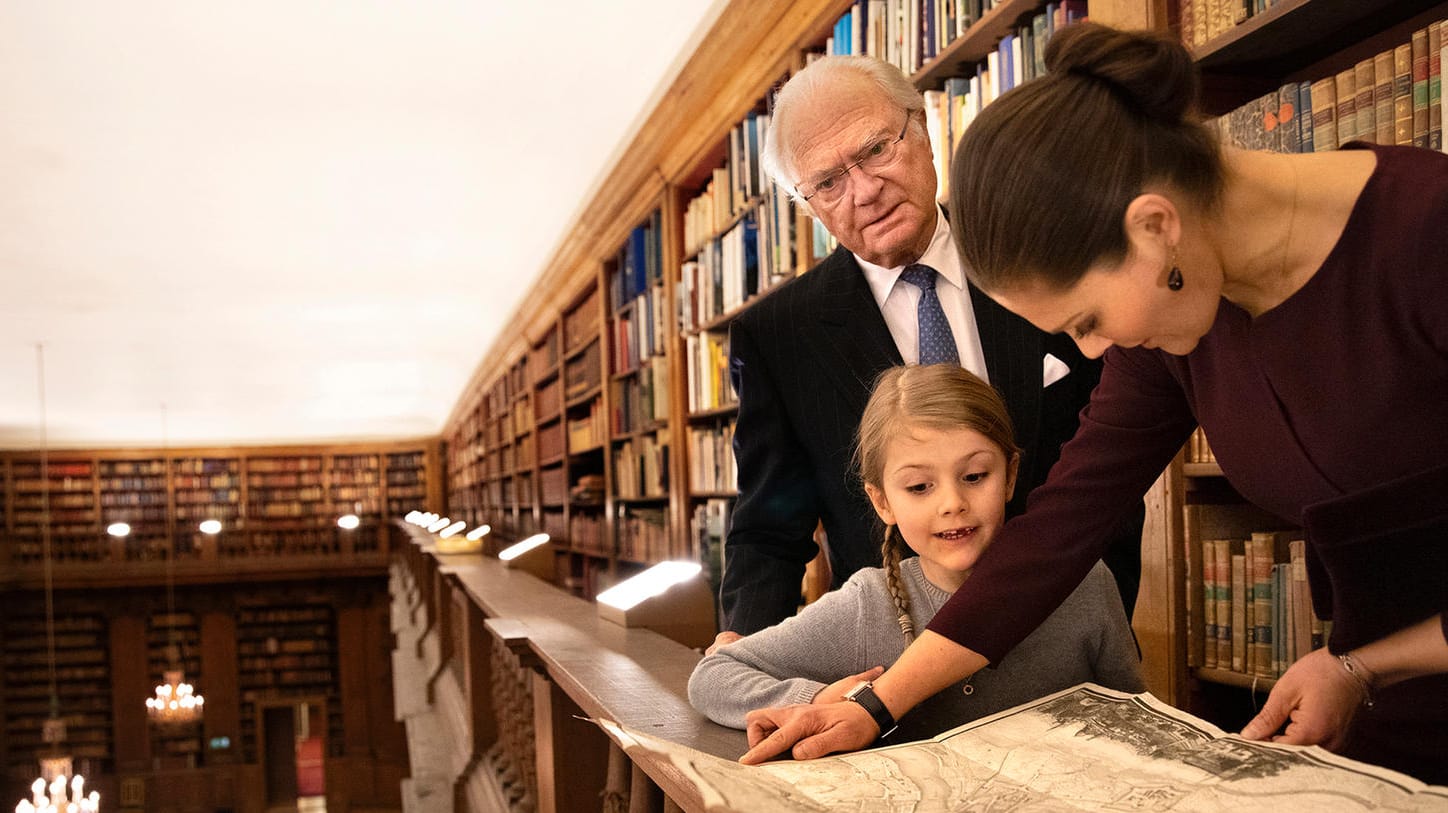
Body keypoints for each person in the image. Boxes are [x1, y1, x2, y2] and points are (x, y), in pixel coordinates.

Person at [738, 23, 1448, 784]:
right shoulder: (1175, 308)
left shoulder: (1427, 237)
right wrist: (878, 705)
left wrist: (1365, 664)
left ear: (1152, 228)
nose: (1092, 350)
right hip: (1381, 709)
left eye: (1084, 321)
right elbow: (1055, 530)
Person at [719, 54, 1143, 645]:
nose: (864, 191)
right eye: (828, 182)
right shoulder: (778, 336)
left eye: (874, 150)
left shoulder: (1036, 251)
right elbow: (770, 527)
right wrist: (744, 647)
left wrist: (1099, 609)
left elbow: (1112, 467)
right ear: (807, 204)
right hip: (891, 657)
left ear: (921, 127)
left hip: (1065, 633)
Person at [690, 365, 1143, 741]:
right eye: (919, 487)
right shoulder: (869, 604)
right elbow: (715, 674)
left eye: (975, 476)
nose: (951, 503)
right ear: (882, 500)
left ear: (1009, 476)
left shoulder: (1085, 583)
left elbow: (1134, 716)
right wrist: (814, 699)